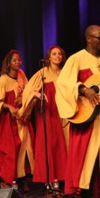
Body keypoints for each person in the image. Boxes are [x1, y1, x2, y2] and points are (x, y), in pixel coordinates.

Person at [56, 25, 100, 198]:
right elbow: (63, 84)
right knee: (87, 155)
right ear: (89, 39)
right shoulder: (76, 59)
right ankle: (85, 195)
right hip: (87, 115)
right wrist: (82, 88)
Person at [0, 50, 35, 190]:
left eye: (19, 60)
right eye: (15, 60)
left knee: (25, 148)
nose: (18, 62)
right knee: (10, 150)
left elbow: (28, 91)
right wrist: (9, 106)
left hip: (21, 119)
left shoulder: (22, 75)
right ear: (9, 63)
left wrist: (22, 99)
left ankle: (22, 178)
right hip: (7, 122)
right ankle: (7, 180)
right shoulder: (3, 80)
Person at [19, 46, 67, 189]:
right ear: (49, 57)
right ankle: (51, 178)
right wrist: (37, 94)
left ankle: (64, 175)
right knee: (49, 143)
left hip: (63, 112)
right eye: (54, 54)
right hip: (47, 112)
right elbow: (29, 90)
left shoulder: (65, 73)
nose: (57, 56)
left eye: (59, 54)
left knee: (63, 143)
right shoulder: (43, 73)